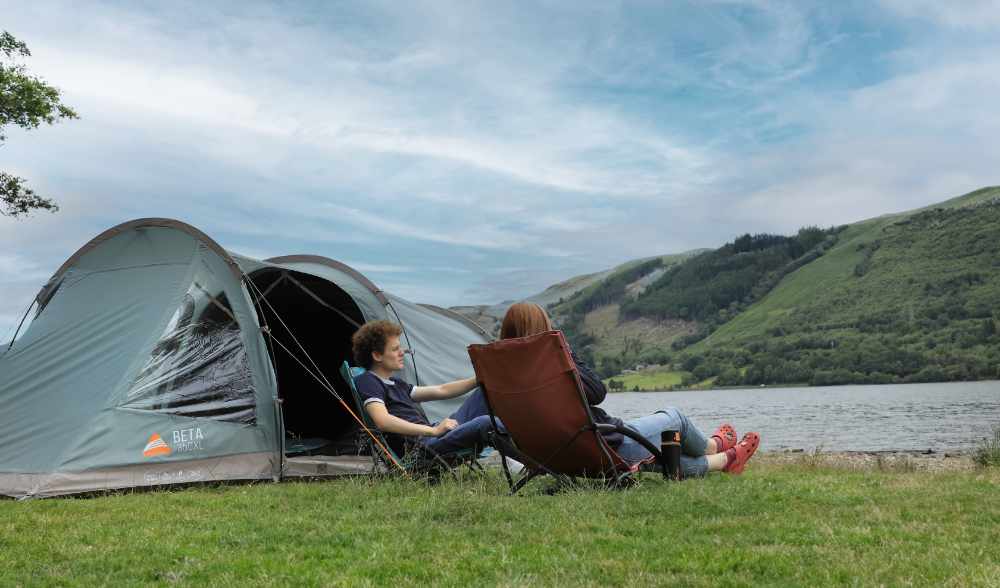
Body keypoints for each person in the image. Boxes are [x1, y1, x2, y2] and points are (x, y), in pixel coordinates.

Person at [499, 302, 760, 477]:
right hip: (606, 449)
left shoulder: (502, 378)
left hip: (557, 461)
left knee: (664, 457)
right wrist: (565, 354)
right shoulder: (552, 365)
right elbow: (597, 391)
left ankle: (728, 460)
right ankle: (714, 446)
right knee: (675, 418)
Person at [351, 320, 500, 457]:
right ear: (377, 355)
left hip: (433, 436)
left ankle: (520, 445)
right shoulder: (368, 381)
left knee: (483, 393)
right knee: (485, 423)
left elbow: (442, 390)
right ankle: (523, 454)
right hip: (422, 446)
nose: (402, 352)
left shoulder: (396, 383)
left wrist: (478, 379)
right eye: (395, 349)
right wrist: (433, 431)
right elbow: (383, 421)